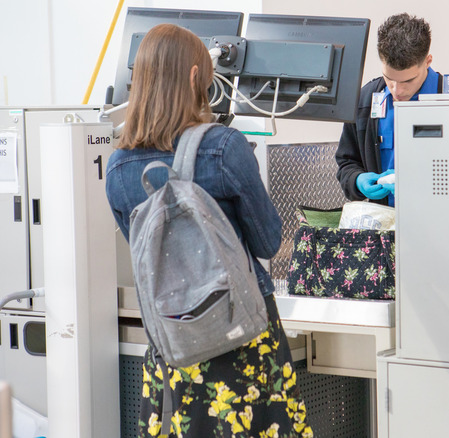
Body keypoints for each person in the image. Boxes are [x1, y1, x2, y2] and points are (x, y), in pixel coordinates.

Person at [105, 23, 313, 438]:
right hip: (242, 341)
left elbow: (146, 252)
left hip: (174, 345)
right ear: (196, 78)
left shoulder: (118, 169)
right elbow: (269, 241)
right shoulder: (223, 147)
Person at [336, 13, 442, 206]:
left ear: (428, 61)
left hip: (440, 220)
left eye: (408, 80)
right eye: (389, 78)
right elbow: (347, 163)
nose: (397, 90)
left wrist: (418, 181)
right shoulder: (364, 101)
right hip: (383, 222)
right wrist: (357, 180)